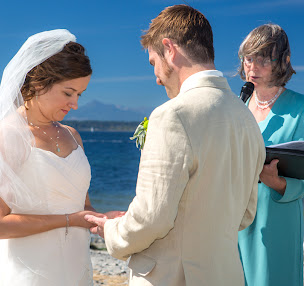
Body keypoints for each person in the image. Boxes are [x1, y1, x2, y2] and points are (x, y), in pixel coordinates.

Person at [85, 5, 266, 286]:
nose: (156, 77)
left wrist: (111, 229)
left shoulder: (173, 115)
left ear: (169, 48)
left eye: (153, 62)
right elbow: (246, 214)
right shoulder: (248, 119)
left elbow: (152, 219)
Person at [0, 29, 121, 285]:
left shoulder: (73, 136)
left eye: (79, 95)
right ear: (38, 84)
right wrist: (70, 221)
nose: (75, 104)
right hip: (27, 273)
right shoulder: (5, 137)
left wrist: (101, 219)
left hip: (76, 268)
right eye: (68, 93)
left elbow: (82, 206)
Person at [237, 24, 304, 286]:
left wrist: (274, 180)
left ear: (284, 61)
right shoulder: (238, 104)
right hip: (235, 219)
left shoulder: (301, 108)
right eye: (249, 58)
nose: (253, 67)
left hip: (277, 218)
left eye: (264, 59)